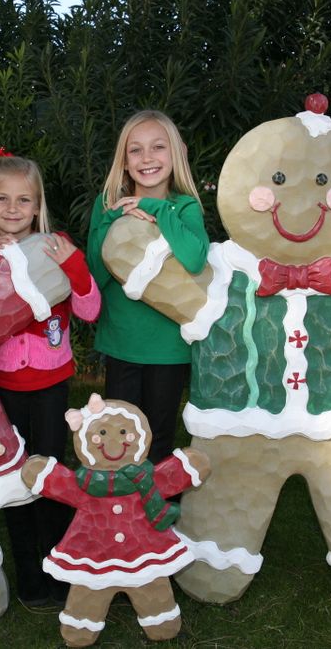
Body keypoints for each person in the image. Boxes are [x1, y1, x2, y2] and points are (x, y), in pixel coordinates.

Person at [0, 148, 101, 607]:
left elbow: (89, 309)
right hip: (0, 387)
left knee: (52, 476)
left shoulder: (54, 247)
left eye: (23, 201)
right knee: (16, 481)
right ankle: (28, 572)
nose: (12, 210)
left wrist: (74, 266)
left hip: (50, 387)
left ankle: (61, 565)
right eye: (2, 199)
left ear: (38, 205)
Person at [86, 110, 210, 464]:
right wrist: (116, 218)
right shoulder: (107, 203)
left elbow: (195, 258)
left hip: (169, 347)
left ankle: (157, 516)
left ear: (175, 154)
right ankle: (119, 515)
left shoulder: (184, 207)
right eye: (135, 150)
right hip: (122, 342)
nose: (147, 158)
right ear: (124, 161)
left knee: (158, 442)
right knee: (117, 443)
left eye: (158, 147)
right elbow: (97, 272)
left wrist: (154, 207)